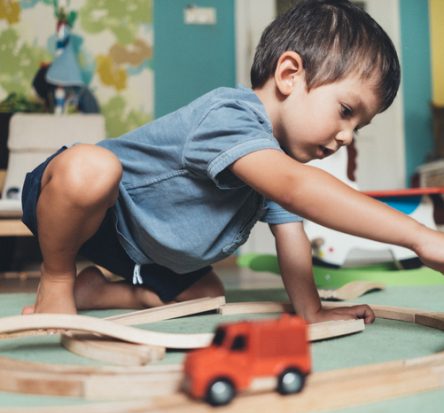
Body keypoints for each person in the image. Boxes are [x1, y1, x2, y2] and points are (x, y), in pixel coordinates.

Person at [20, 0, 444, 323]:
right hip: (94, 212)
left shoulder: (273, 164)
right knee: (91, 167)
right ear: (290, 75)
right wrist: (420, 237)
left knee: (208, 296)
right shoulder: (230, 116)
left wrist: (311, 312)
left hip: (139, 255)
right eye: (346, 111)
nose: (347, 137)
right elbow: (298, 189)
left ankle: (94, 292)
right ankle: (58, 279)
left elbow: (291, 243)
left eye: (360, 128)